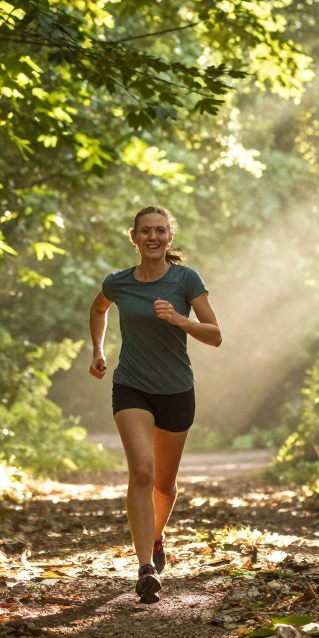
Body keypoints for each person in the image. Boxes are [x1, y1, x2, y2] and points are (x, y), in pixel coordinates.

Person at [88, 205, 222, 604]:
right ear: (134, 237)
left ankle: (156, 536)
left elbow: (215, 334)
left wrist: (180, 320)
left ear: (169, 237)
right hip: (131, 385)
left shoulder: (186, 279)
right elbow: (98, 309)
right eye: (145, 230)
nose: (153, 237)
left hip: (177, 389)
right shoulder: (118, 283)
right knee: (142, 473)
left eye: (160, 231)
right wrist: (97, 349)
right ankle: (146, 567)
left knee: (164, 484)